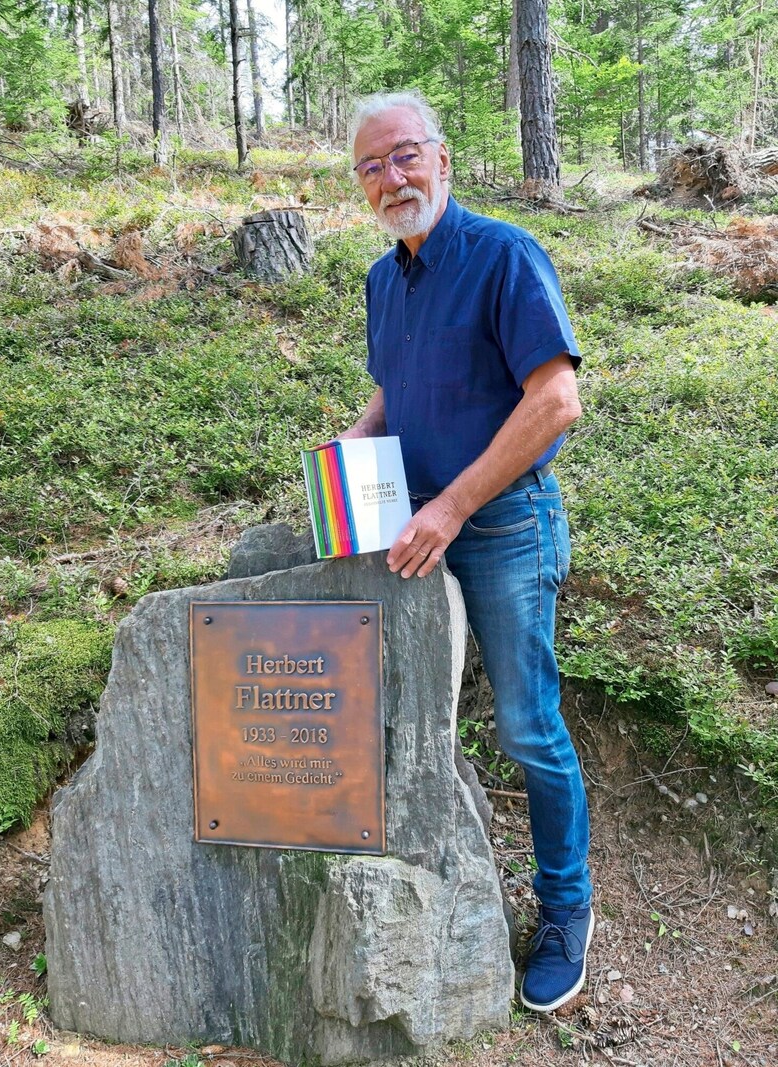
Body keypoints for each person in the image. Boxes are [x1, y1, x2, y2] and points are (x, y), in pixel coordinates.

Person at [339, 90, 593, 1014]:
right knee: (404, 722)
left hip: (503, 529)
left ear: (443, 158)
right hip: (413, 529)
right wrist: (344, 463)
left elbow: (555, 399)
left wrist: (451, 504)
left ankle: (566, 909)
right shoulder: (382, 279)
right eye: (372, 166)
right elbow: (392, 401)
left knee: (529, 725)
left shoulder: (505, 256)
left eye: (404, 155)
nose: (391, 178)